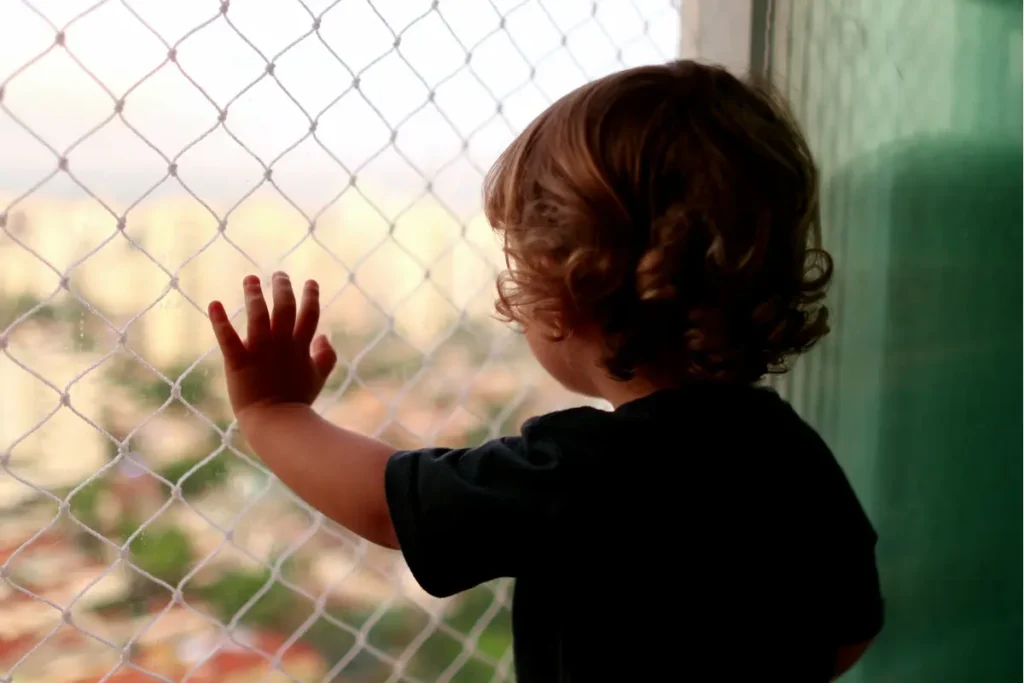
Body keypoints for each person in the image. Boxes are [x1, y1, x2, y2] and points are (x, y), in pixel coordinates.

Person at [208, 60, 883, 681]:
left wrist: (271, 412)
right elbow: (852, 627)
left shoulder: (583, 469)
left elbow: (388, 506)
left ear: (569, 295)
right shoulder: (786, 443)